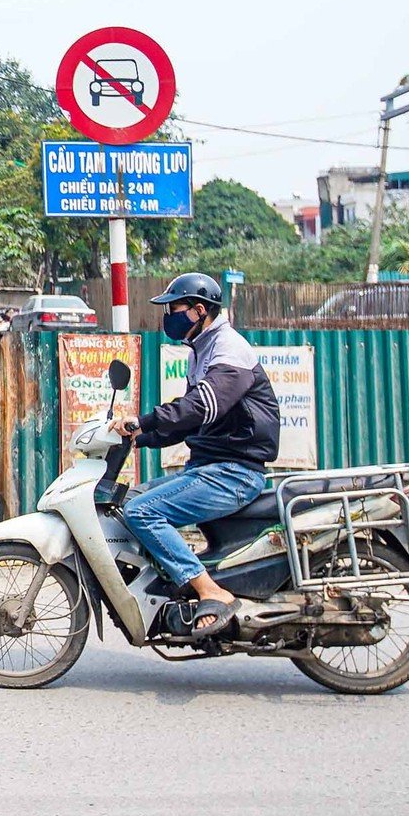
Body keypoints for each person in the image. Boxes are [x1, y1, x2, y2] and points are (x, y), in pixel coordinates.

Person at [113, 272, 281, 639]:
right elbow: (192, 424)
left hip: (233, 471)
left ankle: (210, 591)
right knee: (133, 500)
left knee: (142, 512)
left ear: (199, 310)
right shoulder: (203, 349)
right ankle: (167, 592)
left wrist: (143, 419)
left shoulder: (229, 349)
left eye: (173, 309)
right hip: (212, 467)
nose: (167, 317)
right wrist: (142, 437)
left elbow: (200, 407)